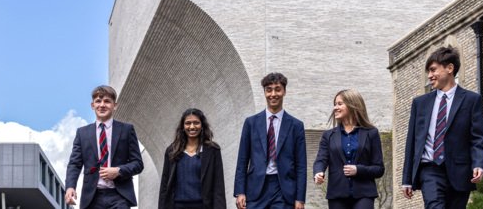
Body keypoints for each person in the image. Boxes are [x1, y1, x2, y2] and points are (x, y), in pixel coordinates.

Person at [401, 46, 483, 208]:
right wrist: (406, 178)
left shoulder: (471, 100)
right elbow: (412, 142)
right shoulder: (420, 103)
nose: (429, 76)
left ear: (449, 68)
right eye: (428, 71)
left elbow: (478, 138)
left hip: (460, 172)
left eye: (433, 70)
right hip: (430, 169)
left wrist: (478, 164)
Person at [234, 73, 307, 209]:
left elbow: (301, 165)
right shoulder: (251, 123)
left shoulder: (296, 126)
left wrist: (300, 198)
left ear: (284, 91)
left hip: (284, 189)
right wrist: (240, 191)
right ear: (264, 92)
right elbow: (242, 160)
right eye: (269, 90)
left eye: (277, 89)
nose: (273, 94)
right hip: (256, 188)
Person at [65, 85, 144, 209]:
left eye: (107, 101)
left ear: (115, 105)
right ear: (93, 105)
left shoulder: (127, 130)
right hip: (92, 197)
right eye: (98, 101)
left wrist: (118, 171)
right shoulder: (82, 133)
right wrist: (70, 187)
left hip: (119, 196)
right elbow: (75, 164)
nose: (102, 105)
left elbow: (138, 164)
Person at [313, 89, 384, 209]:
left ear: (353, 105)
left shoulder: (371, 133)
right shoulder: (328, 135)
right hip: (337, 194)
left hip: (364, 194)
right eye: (335, 104)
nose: (335, 107)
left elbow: (379, 169)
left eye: (340, 104)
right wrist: (318, 172)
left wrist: (358, 170)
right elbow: (321, 159)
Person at [158, 108, 227, 209]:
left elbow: (218, 186)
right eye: (188, 123)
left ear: (202, 125)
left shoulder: (213, 150)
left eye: (196, 123)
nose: (192, 126)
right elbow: (164, 186)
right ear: (182, 126)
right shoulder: (171, 151)